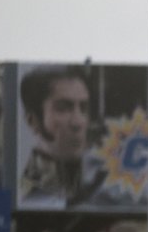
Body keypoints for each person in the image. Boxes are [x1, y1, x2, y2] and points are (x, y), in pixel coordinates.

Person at [18, 65, 102, 207]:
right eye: (63, 108)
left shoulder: (99, 177)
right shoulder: (25, 198)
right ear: (33, 121)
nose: (78, 122)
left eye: (84, 108)